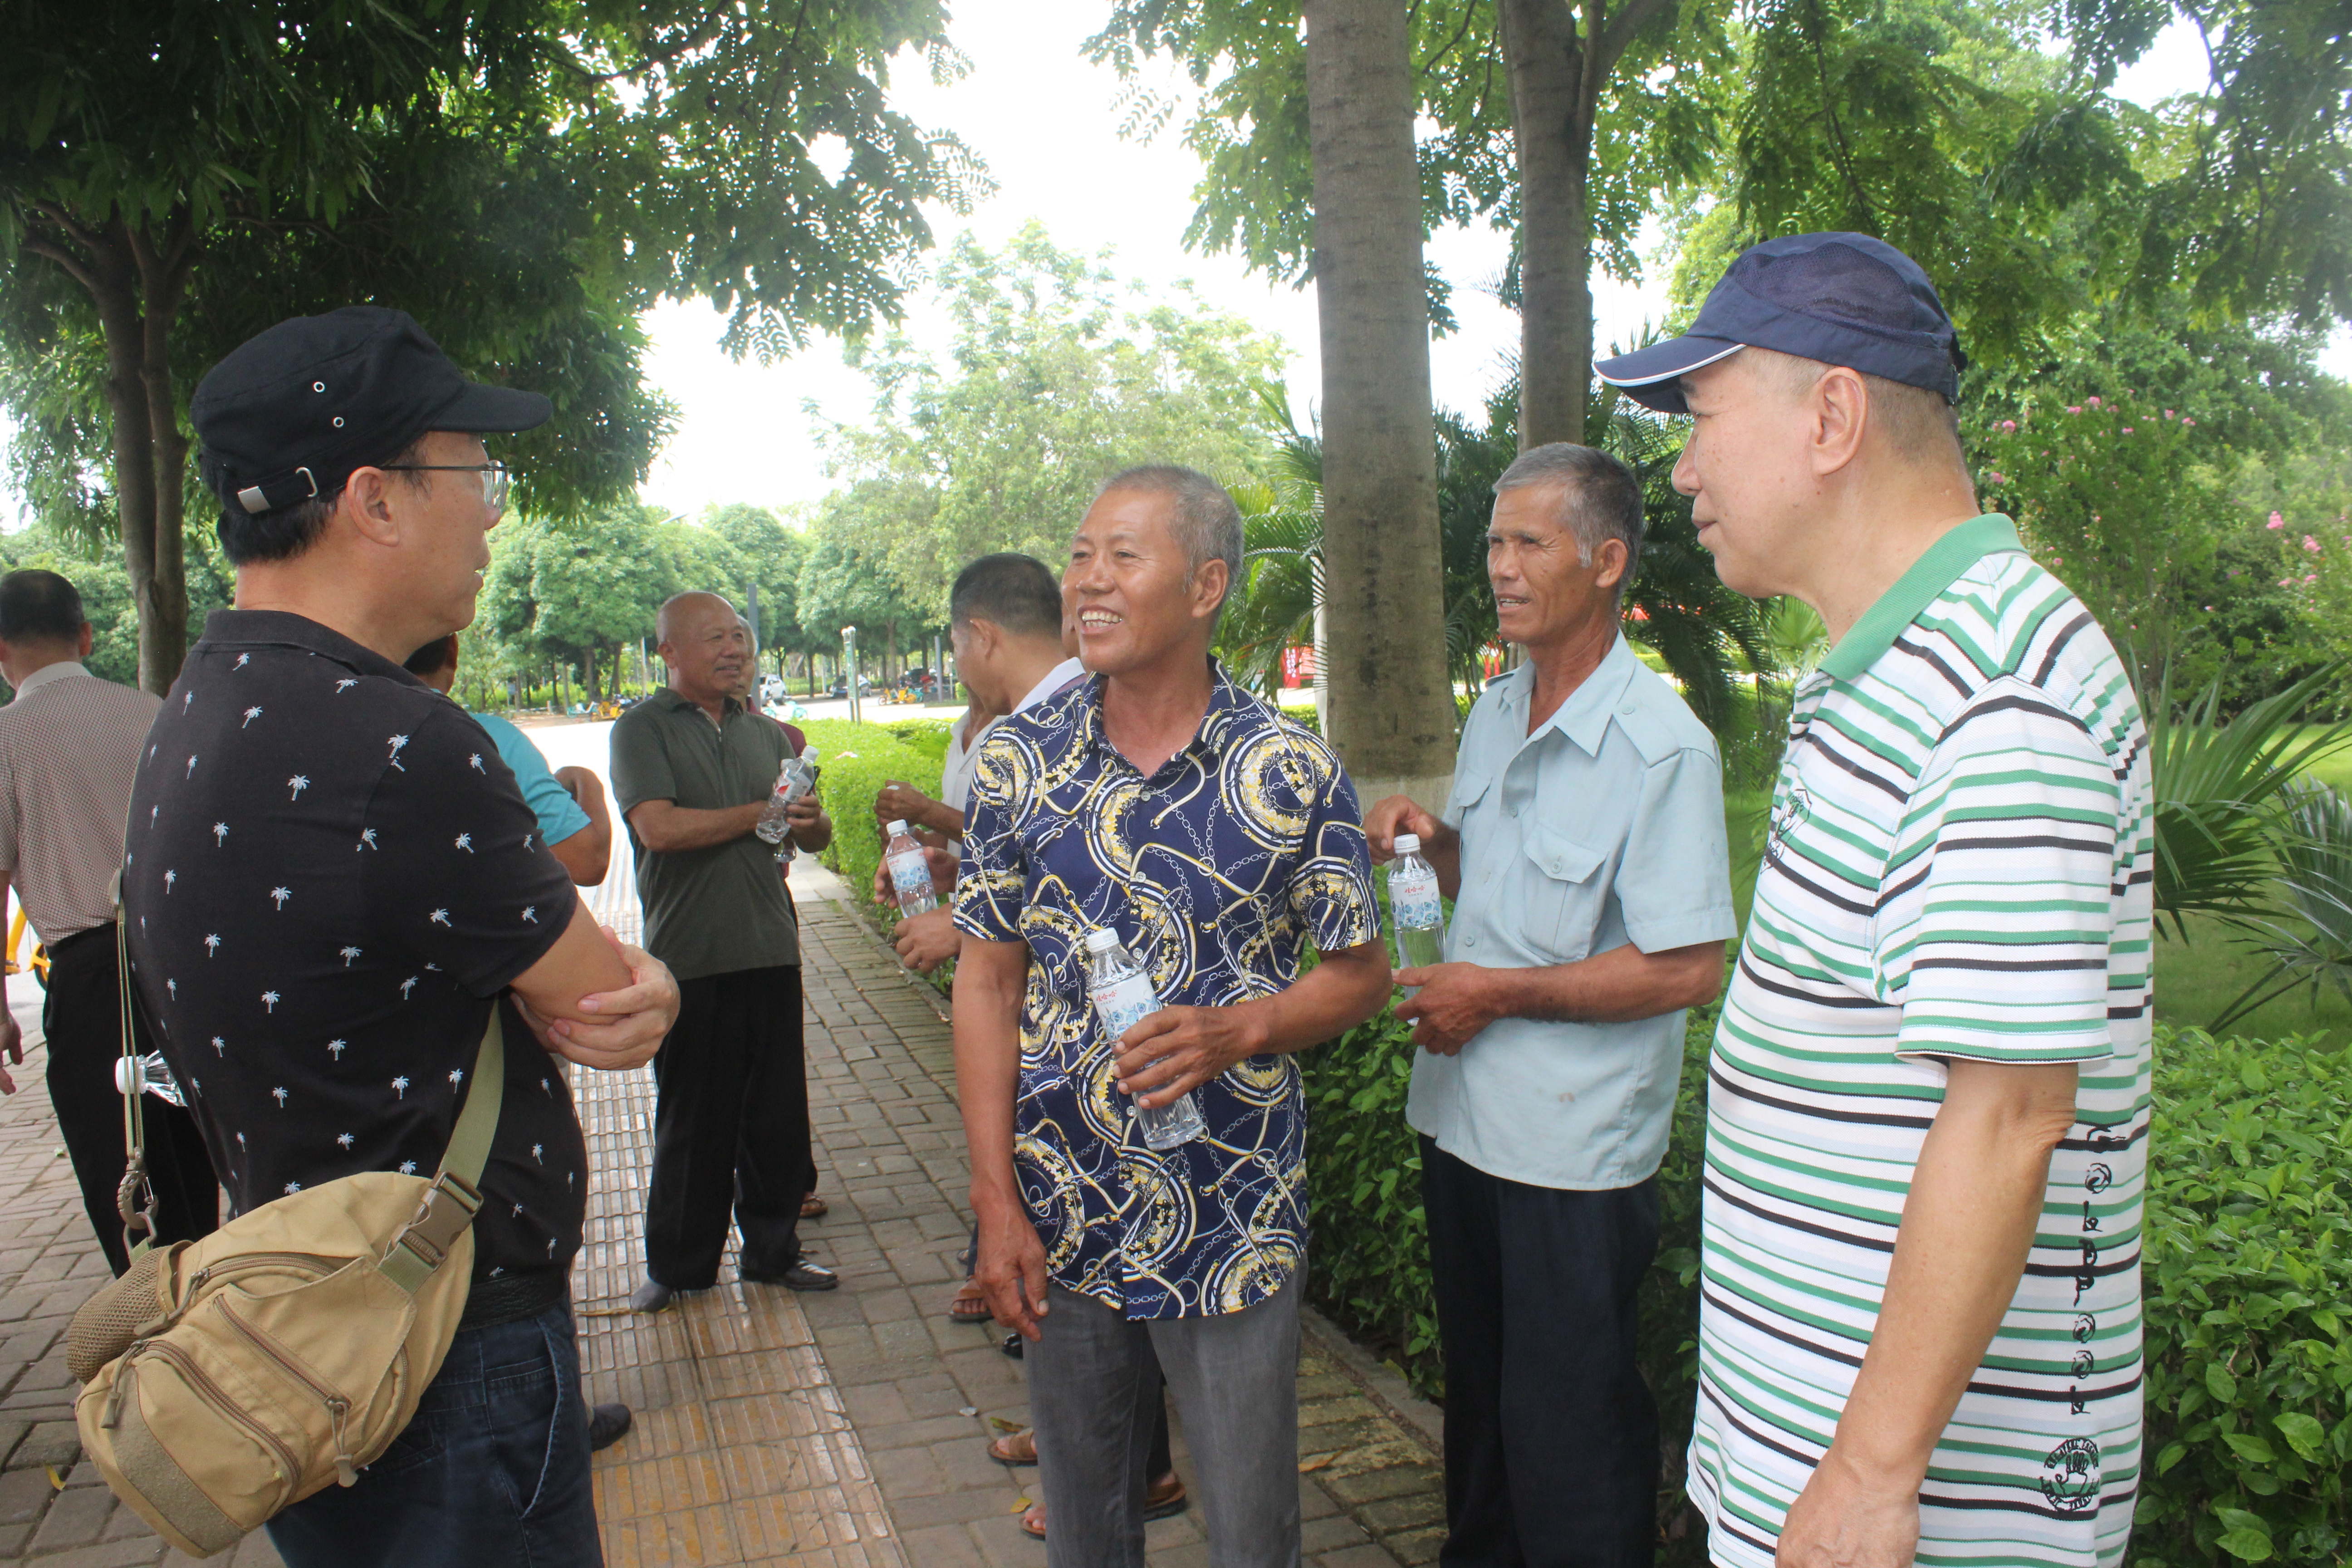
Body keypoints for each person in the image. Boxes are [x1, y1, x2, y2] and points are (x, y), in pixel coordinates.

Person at [1593, 232, 2150, 1568]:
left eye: (1704, 419)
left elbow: (2012, 1116)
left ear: (1832, 417)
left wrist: (1867, 1474)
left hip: (1926, 1523)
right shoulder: (1886, 671)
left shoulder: (1997, 700)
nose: (1682, 469)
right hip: (1809, 1469)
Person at [133, 304, 682, 1567]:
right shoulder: (399, 744)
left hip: (296, 1321)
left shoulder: (202, 704)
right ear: (373, 500)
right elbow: (606, 1002)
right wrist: (645, 976)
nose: (492, 511)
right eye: (474, 475)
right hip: (446, 1350)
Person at [954, 466, 1392, 1568]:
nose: (1088, 583)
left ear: (1205, 586)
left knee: (1250, 1528)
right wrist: (996, 1201)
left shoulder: (1286, 768)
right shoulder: (1020, 762)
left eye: (1122, 557)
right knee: (1088, 1524)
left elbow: (1360, 972)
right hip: (1064, 1211)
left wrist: (1236, 1030)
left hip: (1233, 1214)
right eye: (1080, 554)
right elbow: (986, 980)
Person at [1362, 442, 1736, 1568]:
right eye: (1493, 541)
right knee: (1479, 1396)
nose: (1501, 566)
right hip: (1463, 1115)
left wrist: (1498, 992)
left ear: (1607, 559)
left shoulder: (1660, 746)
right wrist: (1438, 848)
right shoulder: (1496, 709)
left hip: (1571, 1148)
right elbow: (1504, 881)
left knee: (1566, 1421)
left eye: (1529, 541)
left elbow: (1682, 965)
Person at [610, 591, 836, 1312]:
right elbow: (660, 831)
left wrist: (810, 821)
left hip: (769, 944)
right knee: (694, 1118)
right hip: (690, 955)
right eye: (714, 639)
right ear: (670, 651)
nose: (734, 650)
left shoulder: (766, 734)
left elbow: (797, 840)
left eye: (738, 637)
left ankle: (774, 1253)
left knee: (776, 1115)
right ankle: (678, 1267)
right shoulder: (642, 730)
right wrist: (761, 814)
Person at [0, 570, 219, 1275]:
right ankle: (219, 1316)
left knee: (123, 1179)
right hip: (182, 965)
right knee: (193, 1157)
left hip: (93, 980)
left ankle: (168, 1336)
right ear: (86, 635)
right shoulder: (152, 712)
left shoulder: (8, 740)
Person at [404, 635, 612, 885]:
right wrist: (587, 781)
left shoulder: (349, 734)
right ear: (453, 651)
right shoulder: (490, 737)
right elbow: (588, 865)